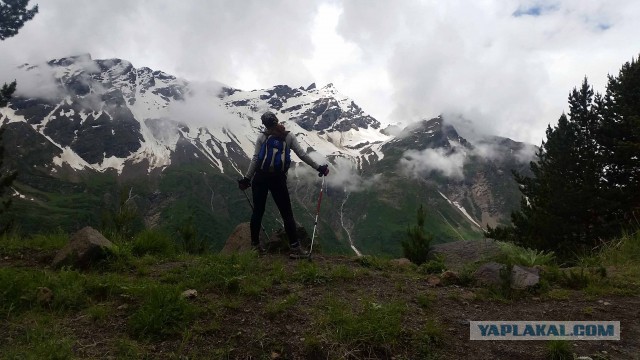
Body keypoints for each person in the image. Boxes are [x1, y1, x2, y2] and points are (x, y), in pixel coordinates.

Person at [238, 111, 329, 259]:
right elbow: (303, 155)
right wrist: (320, 168)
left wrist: (247, 178)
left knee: (258, 212)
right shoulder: (288, 136)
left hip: (260, 177)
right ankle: (295, 247)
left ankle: (255, 247)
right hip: (278, 179)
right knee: (286, 213)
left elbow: (255, 159)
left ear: (264, 124)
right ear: (277, 120)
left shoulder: (262, 137)